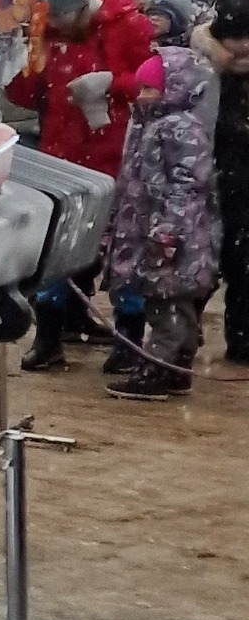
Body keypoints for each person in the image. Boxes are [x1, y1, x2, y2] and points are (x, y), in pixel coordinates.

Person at [12, 0, 136, 370]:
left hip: (115, 158)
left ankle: (125, 340)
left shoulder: (129, 26)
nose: (62, 31)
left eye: (67, 21)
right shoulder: (46, 35)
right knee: (56, 253)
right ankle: (51, 336)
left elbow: (153, 82)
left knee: (121, 254)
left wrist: (111, 84)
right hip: (61, 156)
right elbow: (28, 94)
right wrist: (18, 61)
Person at [104, 46, 221, 398]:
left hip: (173, 237)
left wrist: (168, 231)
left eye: (148, 89)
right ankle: (176, 368)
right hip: (164, 232)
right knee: (173, 304)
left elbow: (188, 186)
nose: (141, 97)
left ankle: (158, 369)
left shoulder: (177, 129)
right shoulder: (152, 126)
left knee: (167, 306)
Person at [195, 0, 249, 364]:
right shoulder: (205, 76)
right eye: (234, 39)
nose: (242, 48)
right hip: (214, 183)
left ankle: (242, 338)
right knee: (204, 267)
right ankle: (182, 336)